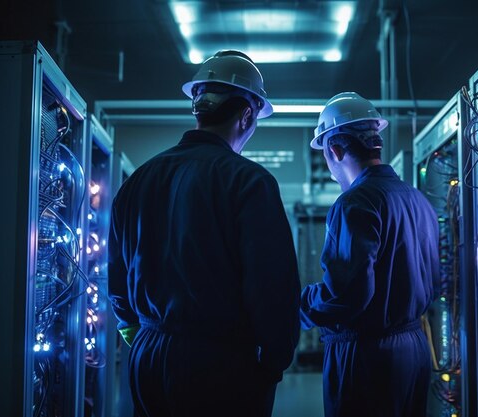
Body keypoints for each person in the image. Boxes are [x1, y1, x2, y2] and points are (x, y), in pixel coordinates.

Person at [108, 50, 301, 417]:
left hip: (148, 355)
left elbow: (116, 276)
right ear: (247, 115)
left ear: (199, 108)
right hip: (220, 365)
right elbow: (272, 286)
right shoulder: (249, 182)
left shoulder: (138, 181)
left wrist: (139, 333)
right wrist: (275, 360)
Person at [300, 92, 440, 417]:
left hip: (368, 357)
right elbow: (434, 279)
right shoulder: (417, 199)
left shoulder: (354, 203)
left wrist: (299, 306)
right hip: (414, 350)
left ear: (334, 150)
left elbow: (346, 296)